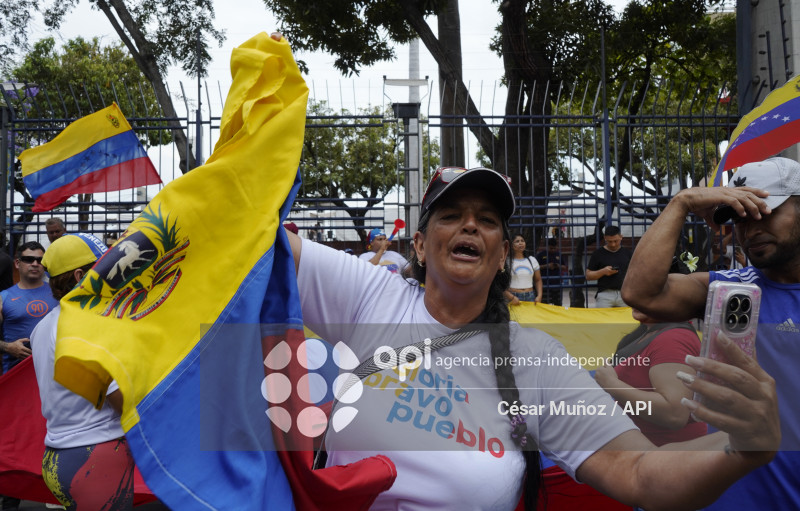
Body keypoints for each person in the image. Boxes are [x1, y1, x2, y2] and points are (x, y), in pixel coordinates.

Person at [285, 166, 779, 511]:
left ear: (503, 254)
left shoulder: (537, 362)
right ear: (419, 244)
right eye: (451, 214)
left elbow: (638, 471)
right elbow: (249, 246)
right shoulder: (370, 295)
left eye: (488, 219)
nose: (470, 225)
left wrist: (741, 451)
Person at [621, 156, 799, 510]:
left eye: (766, 211)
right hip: (731, 493)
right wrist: (681, 202)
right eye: (741, 218)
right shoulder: (732, 290)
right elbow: (642, 293)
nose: (750, 229)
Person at [31, 233, 135, 510]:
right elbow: (122, 401)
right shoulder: (84, 328)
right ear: (80, 276)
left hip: (60, 454)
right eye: (103, 267)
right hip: (95, 456)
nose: (113, 274)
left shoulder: (44, 325)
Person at [595, 257, 707, 446]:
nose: (638, 296)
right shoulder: (647, 330)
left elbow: (674, 414)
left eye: (652, 292)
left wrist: (612, 384)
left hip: (665, 459)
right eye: (636, 287)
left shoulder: (673, 339)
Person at [0, 242, 59, 374]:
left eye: (40, 260)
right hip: (17, 375)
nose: (34, 263)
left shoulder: (59, 293)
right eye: (28, 259)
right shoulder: (3, 298)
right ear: (17, 263)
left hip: (55, 374)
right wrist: (8, 347)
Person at [585, 225, 631, 307]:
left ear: (621, 237)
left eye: (616, 241)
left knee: (626, 319)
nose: (613, 244)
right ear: (605, 238)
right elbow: (588, 276)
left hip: (624, 293)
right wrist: (603, 271)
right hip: (605, 294)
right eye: (609, 241)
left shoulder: (628, 253)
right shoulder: (598, 254)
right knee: (603, 320)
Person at [504, 233, 542, 305]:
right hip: (513, 297)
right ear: (511, 245)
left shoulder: (532, 260)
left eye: (522, 241)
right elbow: (500, 284)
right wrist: (511, 297)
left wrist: (539, 296)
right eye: (517, 241)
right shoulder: (506, 262)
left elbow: (538, 280)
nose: (520, 243)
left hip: (530, 296)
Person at [535, 238, 566, 306]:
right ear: (547, 246)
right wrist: (547, 266)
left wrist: (558, 266)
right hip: (545, 283)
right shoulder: (540, 255)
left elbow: (564, 267)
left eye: (554, 248)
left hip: (557, 283)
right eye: (551, 248)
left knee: (558, 305)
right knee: (544, 305)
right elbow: (535, 268)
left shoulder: (559, 254)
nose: (553, 250)